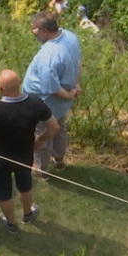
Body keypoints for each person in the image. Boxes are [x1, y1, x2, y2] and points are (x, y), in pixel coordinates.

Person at [0, 70, 59, 234]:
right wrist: (39, 140)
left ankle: (11, 224)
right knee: (25, 185)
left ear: (0, 89)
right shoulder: (35, 103)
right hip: (24, 155)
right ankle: (27, 214)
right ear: (20, 84)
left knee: (3, 192)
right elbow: (54, 127)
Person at [22, 11, 82, 178]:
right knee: (60, 128)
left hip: (45, 103)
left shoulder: (48, 56)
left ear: (45, 31)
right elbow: (78, 63)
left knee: (44, 133)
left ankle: (41, 169)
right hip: (62, 103)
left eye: (34, 29)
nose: (32, 32)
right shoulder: (70, 37)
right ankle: (59, 160)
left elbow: (52, 88)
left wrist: (70, 95)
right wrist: (75, 85)